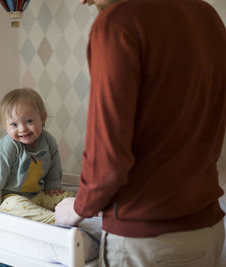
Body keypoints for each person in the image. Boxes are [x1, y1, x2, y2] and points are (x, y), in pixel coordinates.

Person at [54, 0, 226, 266]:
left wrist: (79, 207)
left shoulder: (118, 23)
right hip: (207, 230)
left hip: (146, 239)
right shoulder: (206, 15)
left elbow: (107, 158)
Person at [0, 88, 74, 224]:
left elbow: (54, 164)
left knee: (65, 197)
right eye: (14, 124)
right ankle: (55, 219)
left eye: (29, 121)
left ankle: (83, 210)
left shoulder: (48, 141)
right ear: (5, 127)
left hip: (37, 194)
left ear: (42, 118)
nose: (22, 129)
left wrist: (53, 186)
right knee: (15, 206)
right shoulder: (9, 145)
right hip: (9, 196)